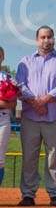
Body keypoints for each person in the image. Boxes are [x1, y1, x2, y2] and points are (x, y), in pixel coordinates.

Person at [15, 26, 56, 206]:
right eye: (42, 37)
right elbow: (20, 85)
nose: (46, 40)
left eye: (49, 37)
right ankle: (28, 195)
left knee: (53, 157)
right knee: (29, 157)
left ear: (53, 39)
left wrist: (45, 100)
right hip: (30, 117)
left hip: (54, 117)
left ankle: (55, 194)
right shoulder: (25, 62)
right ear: (36, 40)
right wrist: (34, 102)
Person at [0, 46, 15, 187]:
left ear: (3, 57)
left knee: (0, 159)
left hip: (3, 120)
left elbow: (12, 103)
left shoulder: (8, 78)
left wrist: (6, 103)